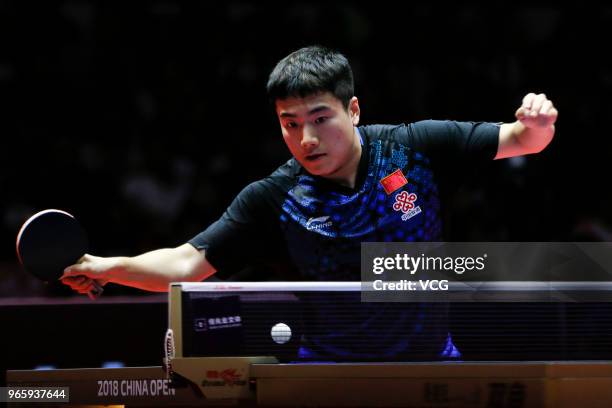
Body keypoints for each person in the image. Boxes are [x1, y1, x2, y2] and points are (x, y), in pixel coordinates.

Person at [61, 45, 558, 360]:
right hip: (326, 370)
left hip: (430, 364)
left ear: (354, 110)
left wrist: (537, 123)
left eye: (320, 118)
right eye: (290, 123)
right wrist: (108, 266)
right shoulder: (276, 196)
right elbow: (187, 263)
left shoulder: (416, 148)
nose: (307, 138)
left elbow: (523, 140)